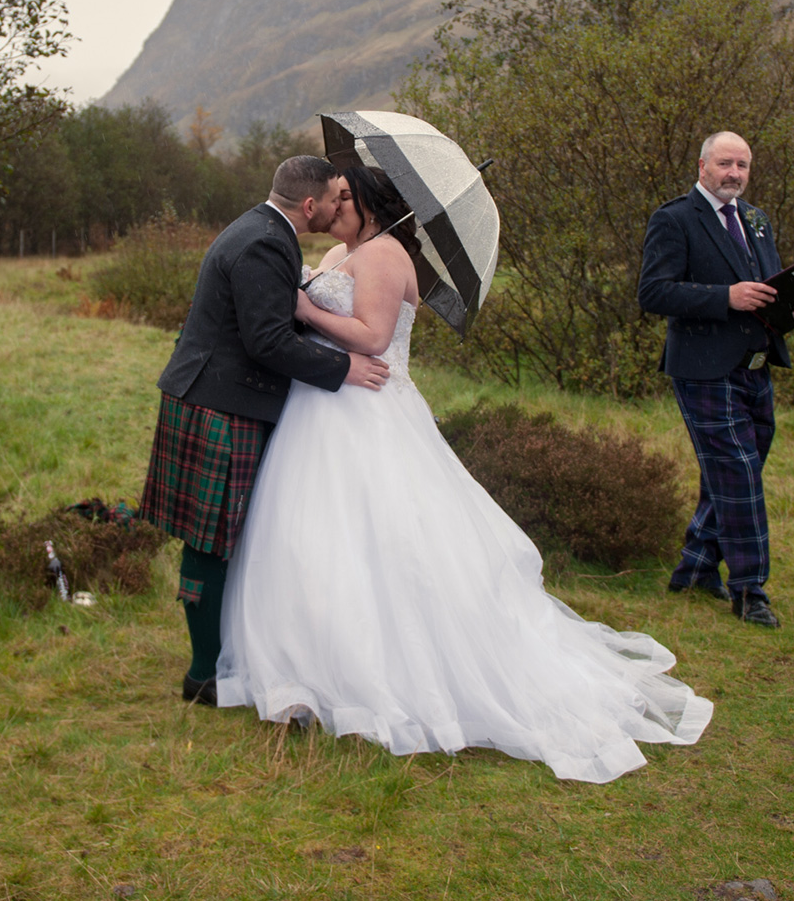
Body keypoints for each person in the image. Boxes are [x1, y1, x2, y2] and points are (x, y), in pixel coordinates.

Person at [213, 164, 713, 783]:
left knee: (387, 541)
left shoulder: (388, 254)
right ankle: (307, 668)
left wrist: (304, 309)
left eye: (345, 197)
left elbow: (372, 337)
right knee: (310, 539)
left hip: (366, 410)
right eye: (334, 196)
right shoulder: (344, 251)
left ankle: (385, 671)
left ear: (370, 203)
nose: (333, 206)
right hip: (321, 409)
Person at [141, 155, 391, 707]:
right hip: (219, 404)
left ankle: (214, 662)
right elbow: (267, 342)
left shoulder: (262, 230)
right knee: (208, 542)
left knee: (211, 540)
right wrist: (341, 368)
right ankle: (204, 674)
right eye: (334, 198)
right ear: (310, 205)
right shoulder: (264, 243)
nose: (337, 207)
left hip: (213, 395)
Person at [636, 130, 794, 630]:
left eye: (743, 165)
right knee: (739, 472)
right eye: (725, 163)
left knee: (737, 473)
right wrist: (725, 297)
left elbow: (768, 297)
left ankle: (695, 568)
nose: (735, 174)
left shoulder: (757, 220)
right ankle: (750, 591)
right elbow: (654, 293)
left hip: (757, 367)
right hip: (702, 368)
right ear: (702, 166)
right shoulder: (674, 218)